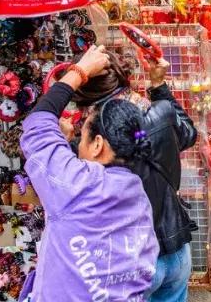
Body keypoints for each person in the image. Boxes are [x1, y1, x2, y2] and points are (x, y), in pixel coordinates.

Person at [19, 46, 158, 301]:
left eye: (82, 137)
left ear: (98, 145)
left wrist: (78, 72)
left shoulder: (74, 185)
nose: (77, 143)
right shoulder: (137, 195)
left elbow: (37, 124)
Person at [71, 55, 198, 302]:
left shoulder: (96, 144)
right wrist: (159, 87)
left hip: (132, 257)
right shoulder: (159, 113)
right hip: (175, 248)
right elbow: (189, 134)